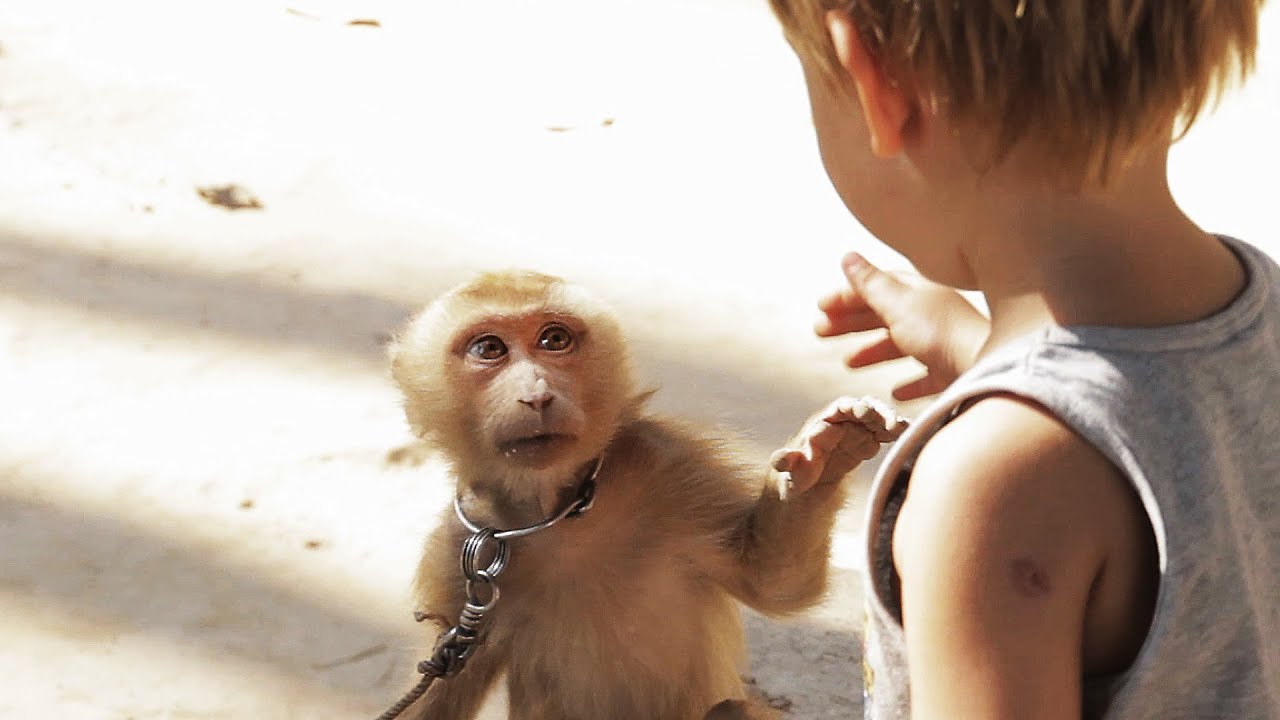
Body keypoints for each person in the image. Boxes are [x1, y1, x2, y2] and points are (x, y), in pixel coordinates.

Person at [765, 0, 1280, 718]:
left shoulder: (988, 493)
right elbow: (1169, 425)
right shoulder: (1261, 315)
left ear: (878, 80)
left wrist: (1013, 419)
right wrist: (987, 359)